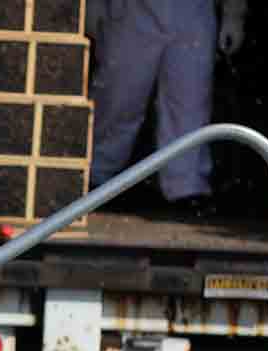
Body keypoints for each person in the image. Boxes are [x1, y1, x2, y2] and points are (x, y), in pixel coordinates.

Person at [87, 0, 248, 209]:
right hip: (131, 8)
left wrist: (233, 13)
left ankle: (187, 186)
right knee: (118, 96)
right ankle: (94, 176)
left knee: (190, 102)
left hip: (193, 9)